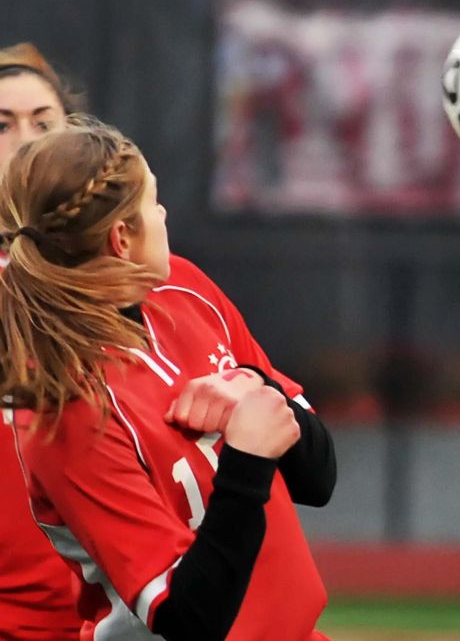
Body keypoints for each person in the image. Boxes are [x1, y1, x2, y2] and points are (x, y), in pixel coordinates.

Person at [0, 116, 336, 640]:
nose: (163, 213)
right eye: (151, 202)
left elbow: (318, 480)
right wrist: (245, 459)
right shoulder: (69, 407)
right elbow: (187, 621)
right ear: (121, 239)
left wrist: (257, 387)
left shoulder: (186, 287)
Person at [0, 41, 84, 640]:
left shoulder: (130, 275)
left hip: (125, 609)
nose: (25, 139)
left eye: (43, 122)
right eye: (1, 124)